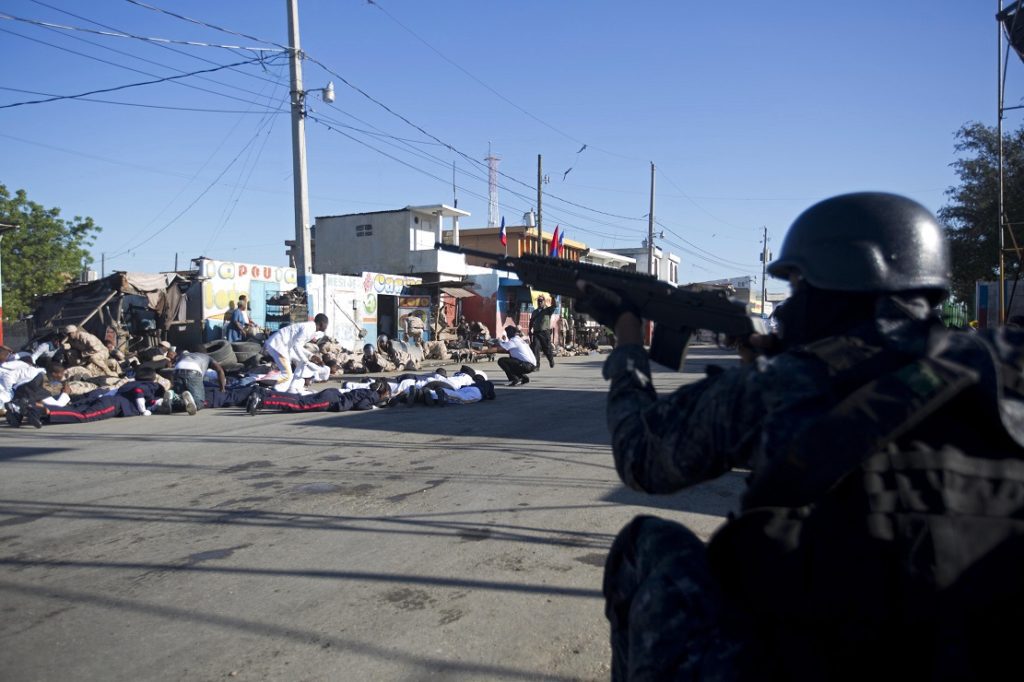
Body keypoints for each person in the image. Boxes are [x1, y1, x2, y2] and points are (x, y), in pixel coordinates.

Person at [580, 192, 1024, 680]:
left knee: (644, 545)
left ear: (833, 278)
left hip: (829, 652)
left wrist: (626, 347)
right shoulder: (1001, 366)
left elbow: (641, 457)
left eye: (796, 283)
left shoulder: (782, 385)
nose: (792, 300)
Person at [262, 313, 329, 391]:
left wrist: (311, 356)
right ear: (322, 323)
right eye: (327, 324)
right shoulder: (309, 329)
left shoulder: (311, 329)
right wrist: (307, 362)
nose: (327, 326)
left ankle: (293, 386)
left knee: (299, 362)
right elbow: (296, 346)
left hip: (284, 346)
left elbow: (298, 346)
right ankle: (274, 393)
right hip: (278, 345)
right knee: (287, 374)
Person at [164, 350, 226, 415]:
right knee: (199, 403)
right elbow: (220, 370)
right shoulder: (208, 358)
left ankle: (172, 395)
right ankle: (191, 400)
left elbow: (171, 364)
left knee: (179, 396)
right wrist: (222, 388)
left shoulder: (185, 355)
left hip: (177, 370)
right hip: (193, 371)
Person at [529, 295, 557, 370]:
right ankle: (536, 366)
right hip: (536, 333)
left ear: (544, 302)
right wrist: (529, 331)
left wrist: (553, 298)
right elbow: (531, 321)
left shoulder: (548, 310)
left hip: (545, 333)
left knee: (547, 349)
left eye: (541, 301)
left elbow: (555, 305)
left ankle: (551, 360)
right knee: (535, 348)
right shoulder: (534, 312)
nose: (540, 302)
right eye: (539, 301)